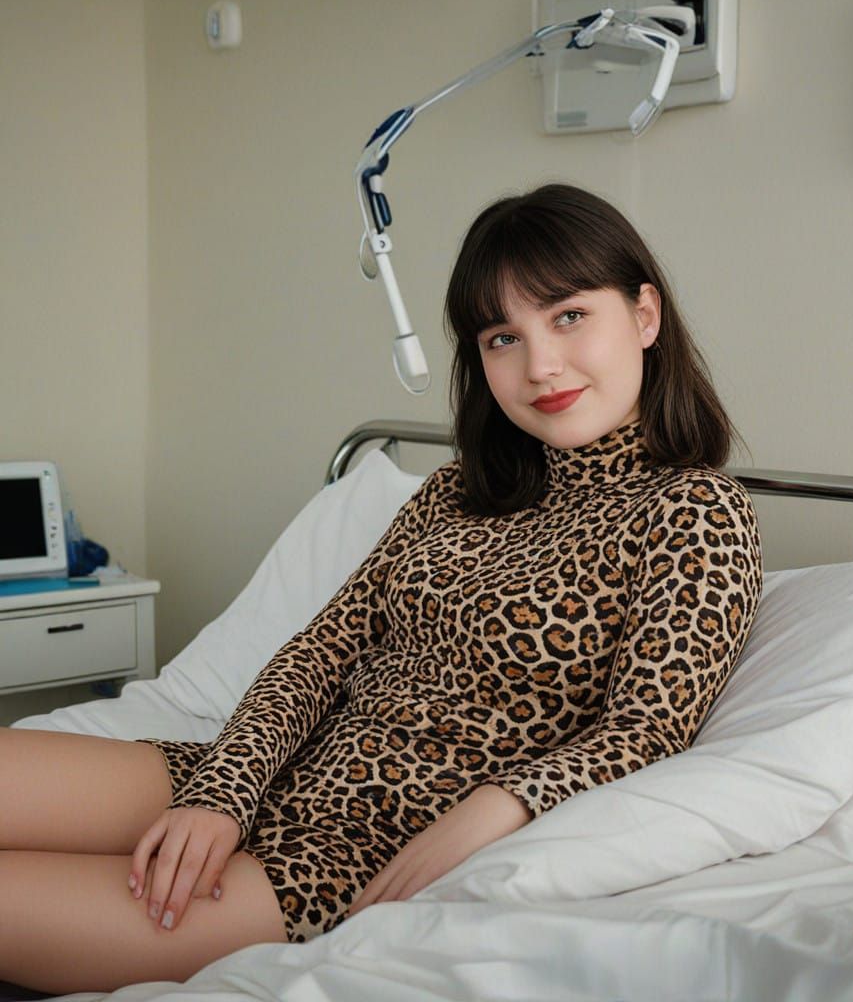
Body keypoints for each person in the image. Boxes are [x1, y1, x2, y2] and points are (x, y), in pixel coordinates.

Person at [0, 182, 763, 994]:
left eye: (570, 316)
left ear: (644, 315)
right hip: (268, 770)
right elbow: (322, 651)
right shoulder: (453, 493)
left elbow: (646, 732)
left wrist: (496, 806)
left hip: (349, 853)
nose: (540, 366)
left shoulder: (694, 510)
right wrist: (223, 790)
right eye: (503, 337)